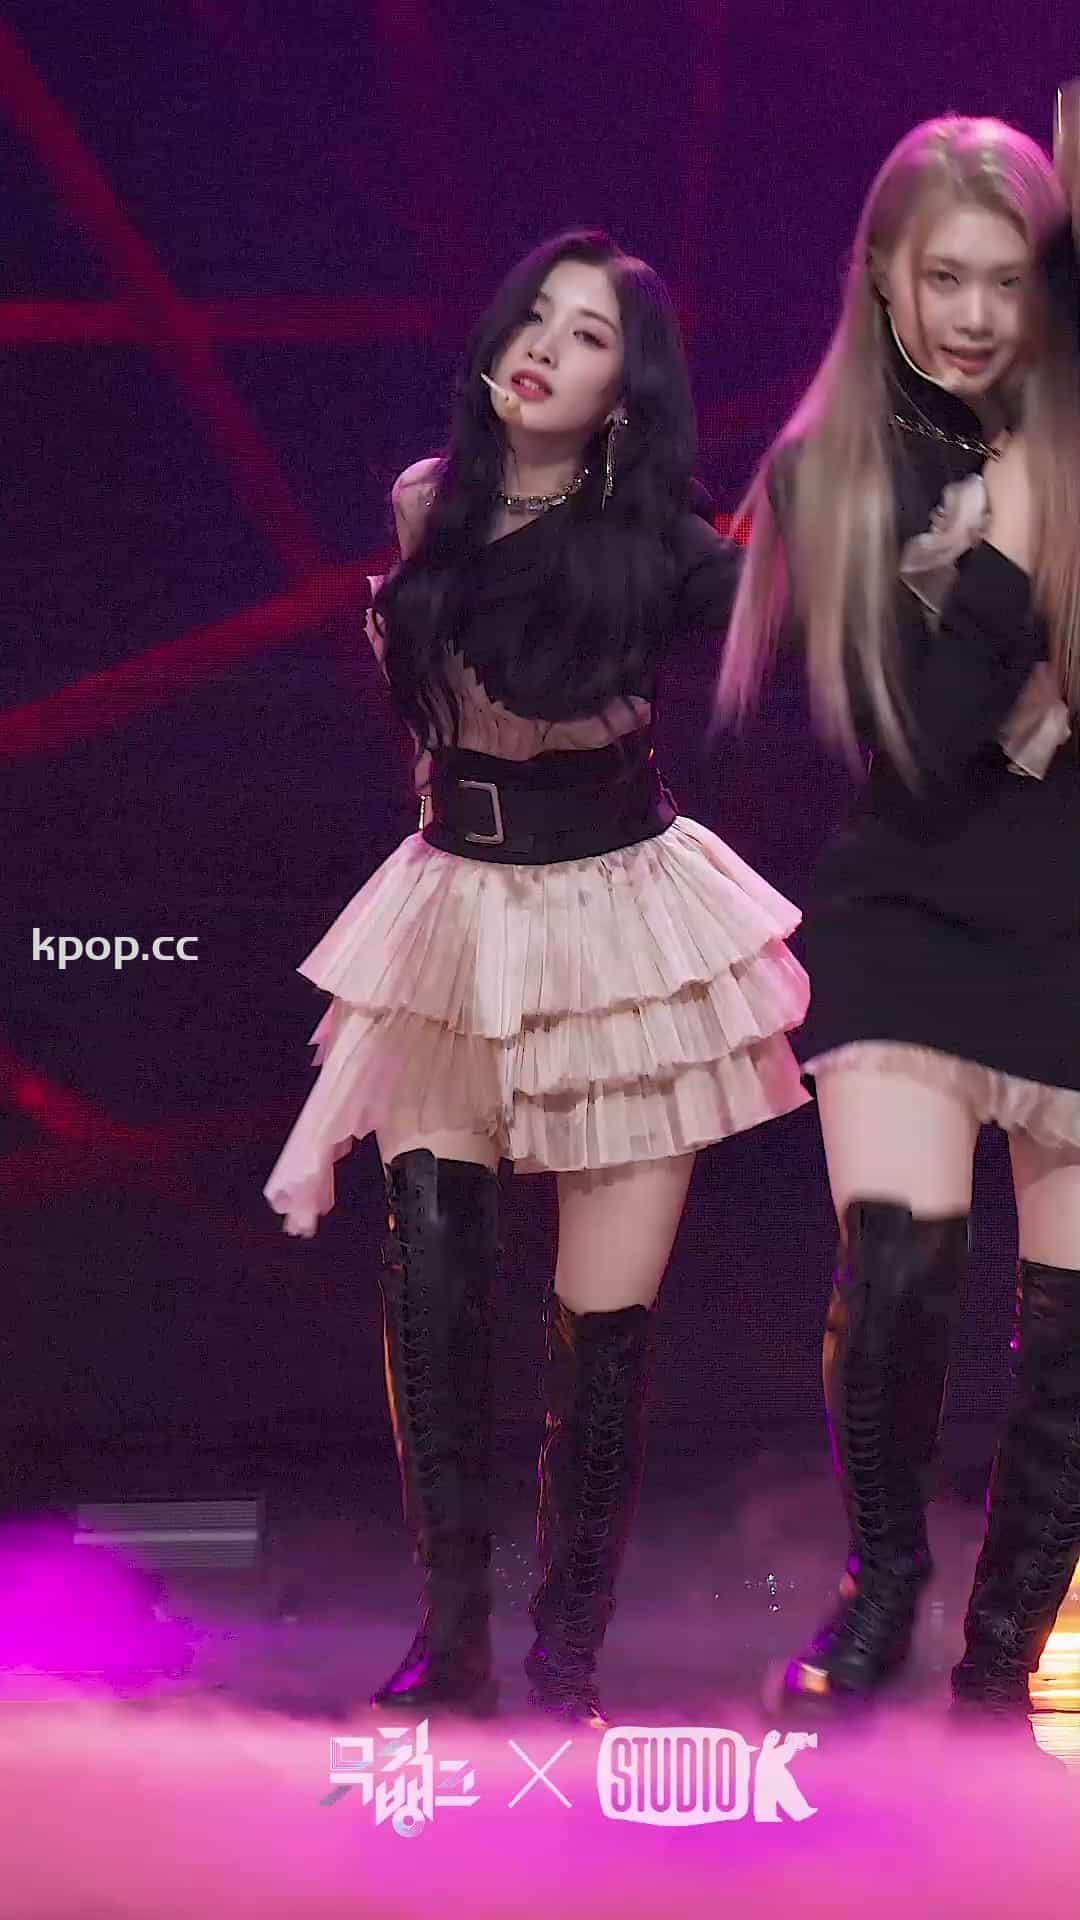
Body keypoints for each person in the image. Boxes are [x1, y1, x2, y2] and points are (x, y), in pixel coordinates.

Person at [264, 228, 810, 1725]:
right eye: (534, 318)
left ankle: (565, 1657)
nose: (543, 349)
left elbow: (804, 613)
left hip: (623, 927)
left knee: (602, 1328)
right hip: (454, 911)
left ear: (627, 389)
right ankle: (452, 1642)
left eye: (586, 336)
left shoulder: (671, 548)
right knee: (432, 1273)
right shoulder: (426, 503)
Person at [719, 116, 1080, 1724]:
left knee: (1069, 1340)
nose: (980, 315)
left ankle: (1003, 1656)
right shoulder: (835, 475)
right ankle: (881, 1585)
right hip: (912, 899)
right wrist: (1017, 537)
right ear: (883, 275)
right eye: (947, 277)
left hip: (1071, 904)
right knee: (900, 1268)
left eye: (1012, 280)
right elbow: (923, 746)